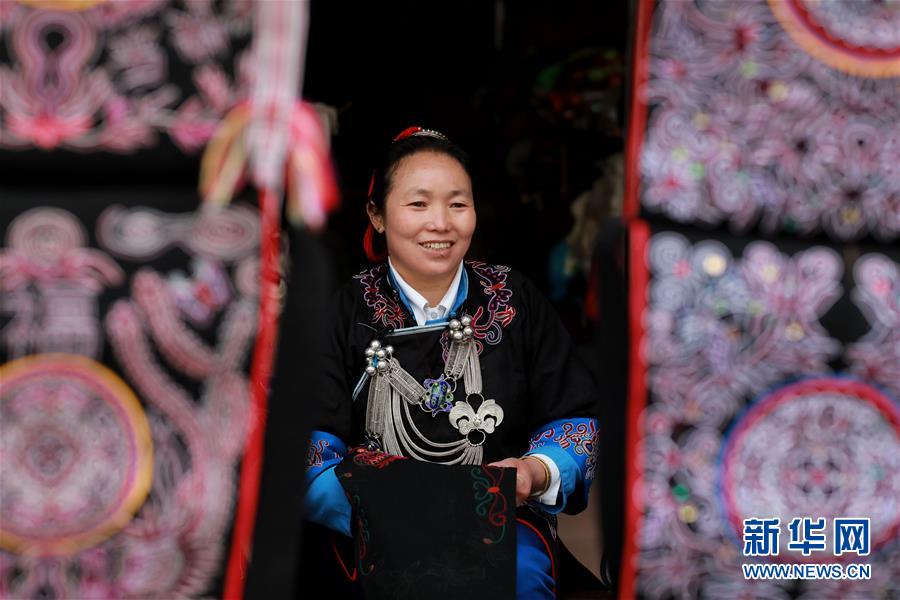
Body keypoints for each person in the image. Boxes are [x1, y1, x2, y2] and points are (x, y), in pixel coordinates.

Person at [304, 126, 600, 598]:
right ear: (377, 215)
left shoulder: (513, 298)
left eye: (458, 204)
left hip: (501, 524)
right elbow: (312, 448)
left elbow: (574, 417)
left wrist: (535, 471)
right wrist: (393, 514)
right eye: (418, 204)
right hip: (376, 528)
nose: (441, 223)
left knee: (520, 577)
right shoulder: (344, 313)